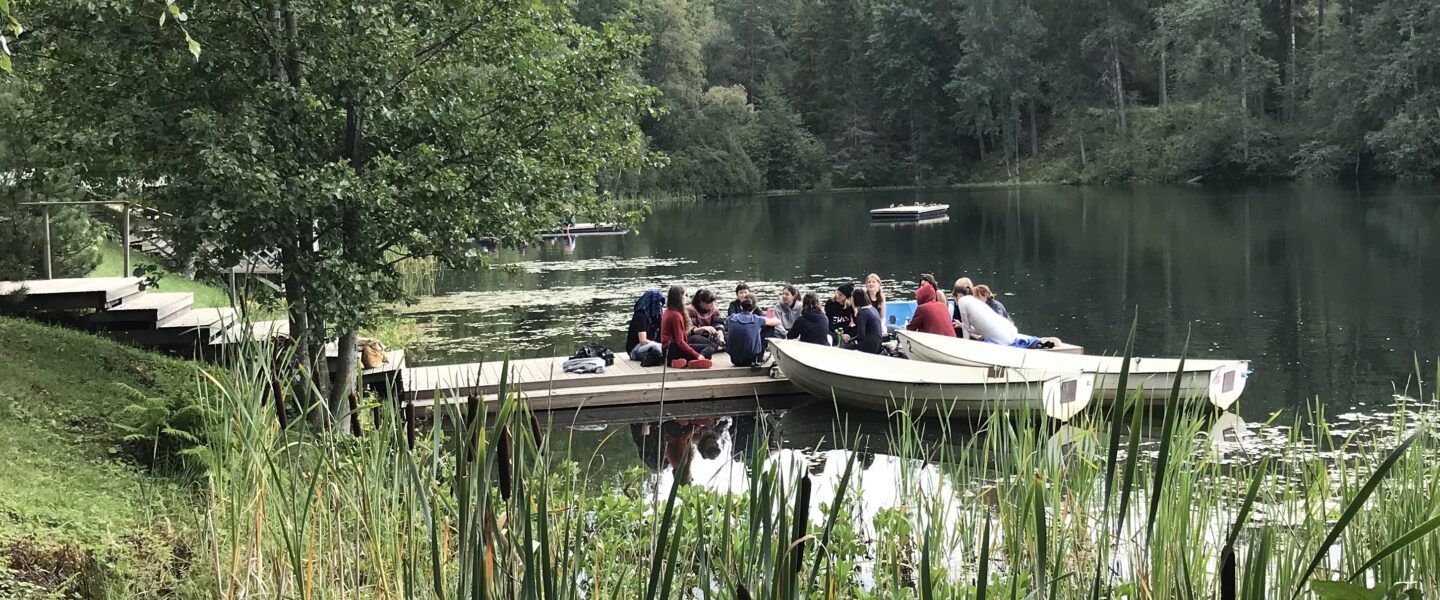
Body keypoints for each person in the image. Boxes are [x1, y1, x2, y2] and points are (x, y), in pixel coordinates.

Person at [661, 285, 714, 369]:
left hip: (666, 351)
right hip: (674, 349)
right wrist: (697, 355)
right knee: (710, 348)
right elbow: (680, 342)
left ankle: (675, 361)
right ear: (679, 297)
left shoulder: (668, 311)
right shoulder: (676, 315)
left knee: (703, 347)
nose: (686, 297)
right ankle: (695, 360)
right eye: (685, 295)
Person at [951, 283, 1018, 345]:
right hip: (1007, 334)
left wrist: (964, 346)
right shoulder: (980, 307)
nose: (955, 303)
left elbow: (967, 330)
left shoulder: (962, 301)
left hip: (1000, 339)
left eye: (976, 296)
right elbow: (981, 329)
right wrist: (962, 325)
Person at [725, 296, 782, 367]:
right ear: (754, 308)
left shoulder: (731, 318)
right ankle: (759, 357)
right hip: (750, 360)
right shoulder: (756, 319)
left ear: (741, 306)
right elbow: (778, 322)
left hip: (734, 360)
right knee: (770, 327)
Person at [625, 289, 665, 362]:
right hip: (635, 348)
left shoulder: (656, 316)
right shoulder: (640, 316)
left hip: (650, 345)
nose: (659, 305)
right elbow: (642, 341)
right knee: (655, 347)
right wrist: (659, 345)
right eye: (657, 302)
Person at [843, 288, 883, 354]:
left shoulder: (862, 313)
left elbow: (861, 335)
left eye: (852, 299)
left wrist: (849, 340)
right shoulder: (873, 308)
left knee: (843, 348)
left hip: (869, 344)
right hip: (877, 342)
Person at [686, 288, 725, 353]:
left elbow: (719, 322)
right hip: (697, 335)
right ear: (701, 303)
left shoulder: (714, 309)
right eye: (709, 303)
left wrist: (720, 331)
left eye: (713, 302)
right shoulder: (691, 310)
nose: (712, 304)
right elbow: (691, 330)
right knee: (697, 340)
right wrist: (703, 328)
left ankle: (718, 345)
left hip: (712, 334)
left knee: (730, 336)